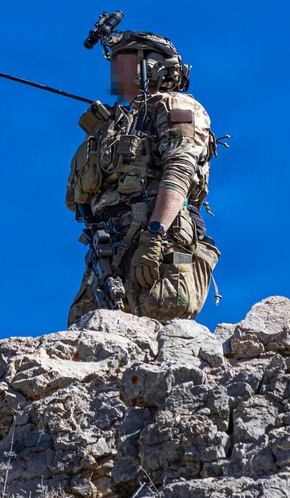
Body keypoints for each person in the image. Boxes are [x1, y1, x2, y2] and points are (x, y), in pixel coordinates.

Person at [66, 26, 220, 326]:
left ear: (151, 66)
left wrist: (155, 234)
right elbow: (75, 200)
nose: (114, 72)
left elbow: (180, 169)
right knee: (86, 332)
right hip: (108, 253)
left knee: (159, 318)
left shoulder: (175, 106)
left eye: (122, 63)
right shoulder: (113, 127)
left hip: (157, 244)